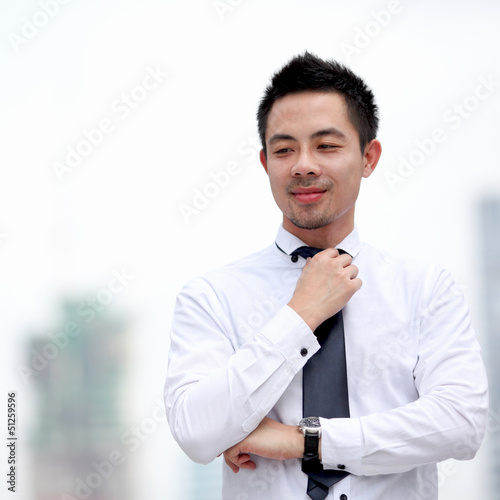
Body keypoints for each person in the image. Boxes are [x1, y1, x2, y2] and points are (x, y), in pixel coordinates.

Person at [164, 52, 488, 499]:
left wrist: (306, 441)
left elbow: (461, 424)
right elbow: (196, 431)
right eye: (284, 149)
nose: (303, 165)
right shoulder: (212, 296)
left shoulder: (425, 290)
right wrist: (301, 314)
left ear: (369, 157)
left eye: (327, 146)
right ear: (264, 164)